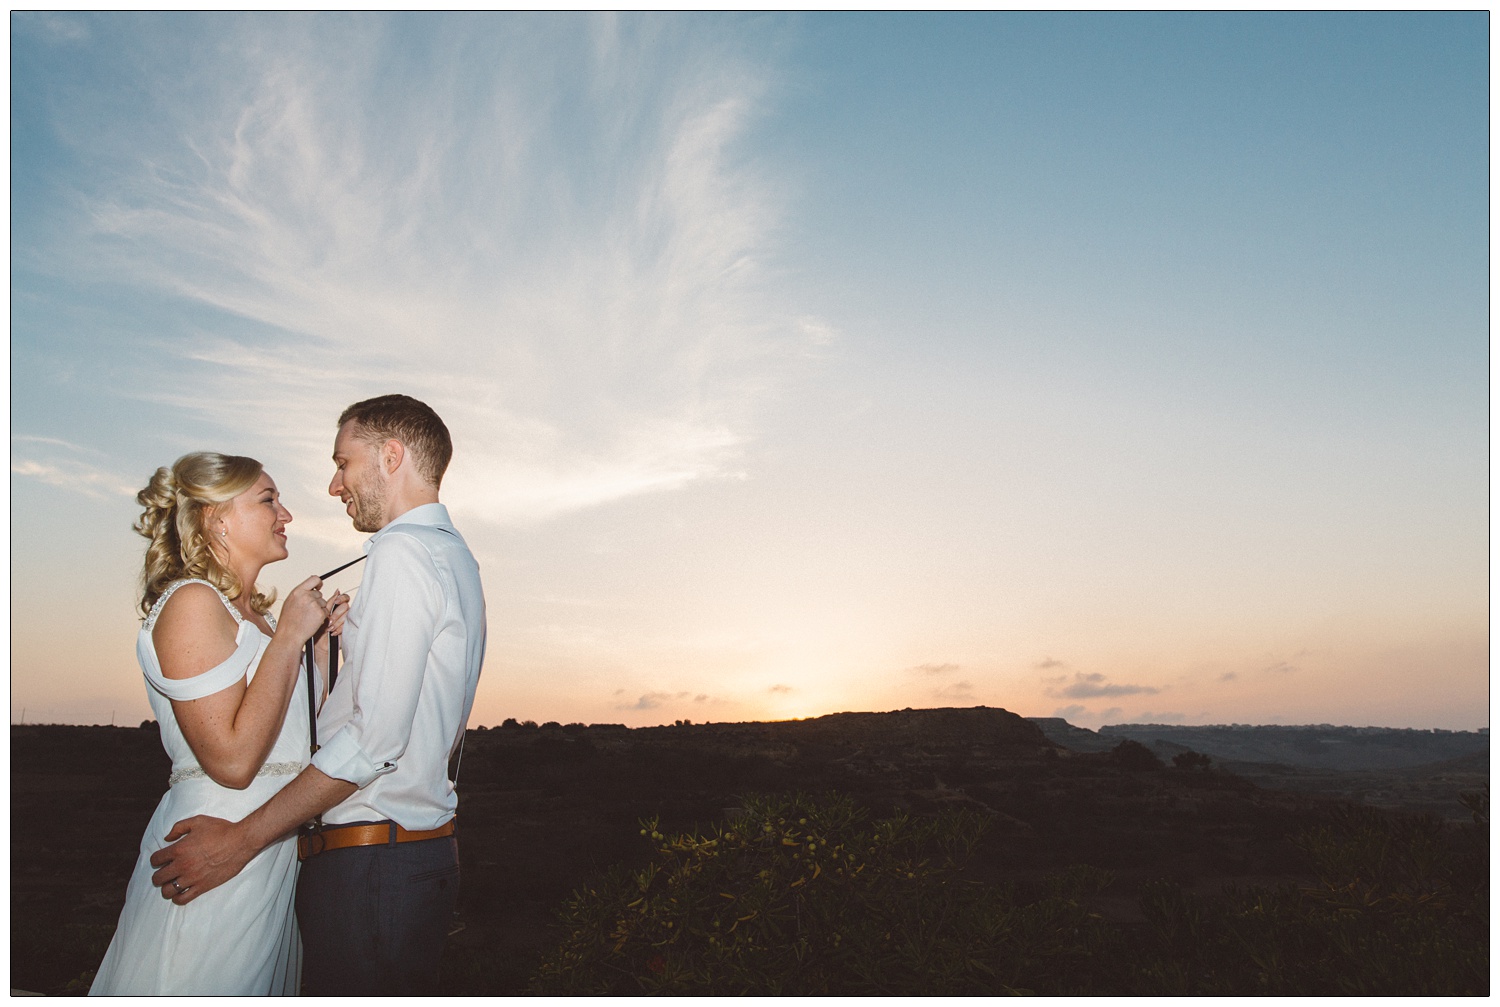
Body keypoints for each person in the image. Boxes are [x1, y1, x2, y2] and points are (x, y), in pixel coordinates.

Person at [147, 394, 487, 995]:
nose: (333, 486)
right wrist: (332, 654)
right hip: (375, 860)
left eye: (343, 462)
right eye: (268, 499)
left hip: (369, 863)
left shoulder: (404, 555)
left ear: (391, 455)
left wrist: (242, 840)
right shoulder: (452, 556)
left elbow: (373, 740)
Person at [90, 453, 347, 996]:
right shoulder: (191, 603)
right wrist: (287, 641)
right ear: (215, 519)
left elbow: (295, 739)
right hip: (212, 845)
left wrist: (317, 648)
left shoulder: (260, 619)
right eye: (268, 499)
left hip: (268, 848)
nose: (287, 514)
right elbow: (232, 761)